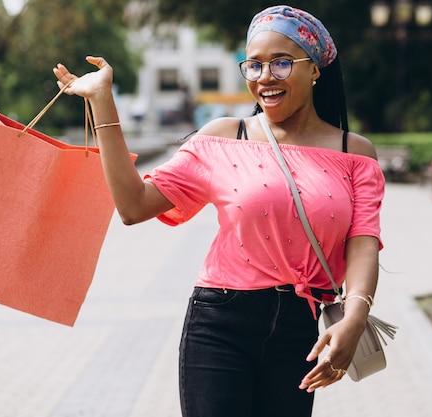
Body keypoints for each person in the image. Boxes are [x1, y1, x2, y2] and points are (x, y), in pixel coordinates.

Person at [53, 5, 385, 417]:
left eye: (282, 63)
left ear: (315, 68)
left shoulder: (356, 155)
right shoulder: (224, 139)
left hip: (299, 329)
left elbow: (363, 244)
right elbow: (133, 205)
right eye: (254, 65)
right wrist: (103, 100)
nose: (265, 77)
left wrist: (354, 318)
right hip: (219, 324)